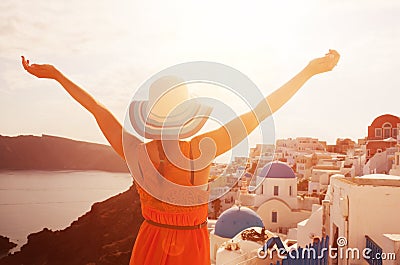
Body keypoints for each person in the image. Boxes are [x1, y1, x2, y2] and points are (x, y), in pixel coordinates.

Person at [21, 50, 340, 265]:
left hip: (149, 242)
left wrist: (57, 75)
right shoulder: (206, 146)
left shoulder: (138, 151)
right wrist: (309, 72)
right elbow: (260, 111)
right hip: (193, 247)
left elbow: (97, 110)